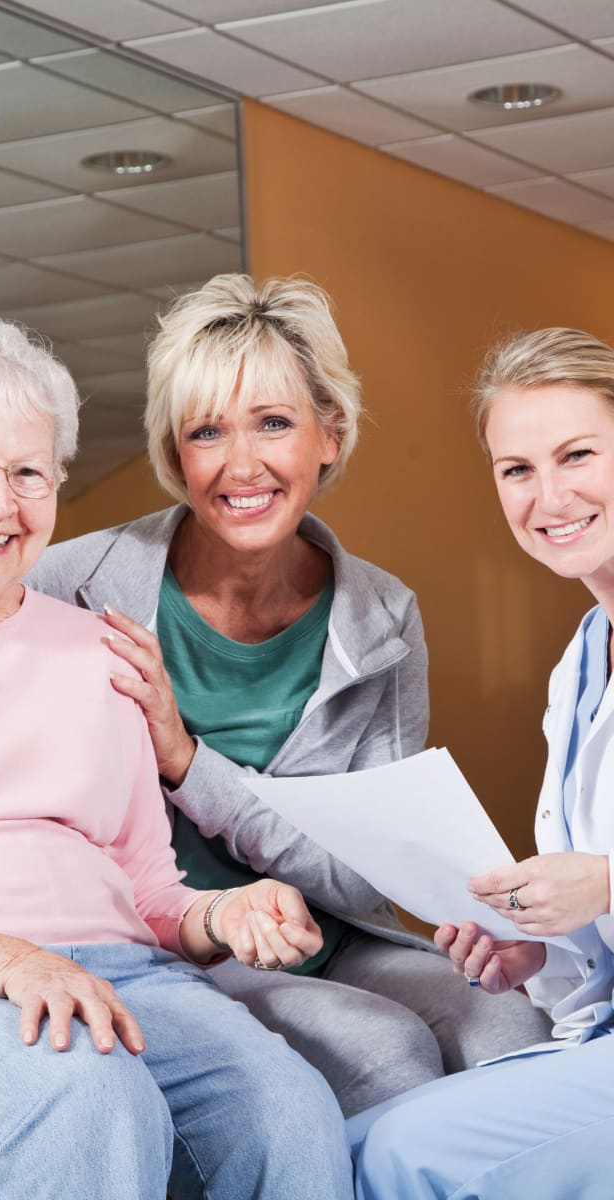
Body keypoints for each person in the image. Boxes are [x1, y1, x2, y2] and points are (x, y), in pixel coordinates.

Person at [0, 319, 352, 1200]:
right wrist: (12, 961)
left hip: (119, 974)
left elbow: (145, 890)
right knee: (84, 1094)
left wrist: (223, 915)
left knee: (286, 1103)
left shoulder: (101, 650)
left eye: (29, 473)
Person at [26, 273, 550, 1116]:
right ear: (175, 453)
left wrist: (189, 762)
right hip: (163, 949)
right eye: (206, 432)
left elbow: (360, 873)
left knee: (510, 1030)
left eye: (274, 423)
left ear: (329, 435)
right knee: (386, 1049)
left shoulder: (383, 618)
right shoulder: (68, 585)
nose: (242, 465)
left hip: (333, 937)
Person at [347, 326, 614, 1199]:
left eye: (578, 454)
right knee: (342, 1142)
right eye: (516, 469)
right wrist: (538, 945)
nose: (549, 495)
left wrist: (604, 884)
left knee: (403, 1156)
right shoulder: (580, 661)